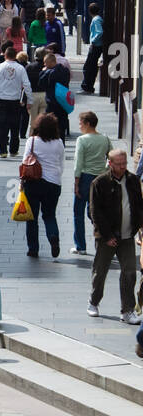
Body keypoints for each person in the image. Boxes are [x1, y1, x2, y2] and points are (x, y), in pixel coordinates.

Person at [87, 149, 143, 321]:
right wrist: (107, 235)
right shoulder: (100, 182)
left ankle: (127, 310)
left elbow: (139, 206)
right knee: (100, 271)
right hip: (107, 237)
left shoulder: (133, 180)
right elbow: (95, 212)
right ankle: (94, 301)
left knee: (129, 273)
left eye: (124, 163)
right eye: (118, 164)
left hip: (127, 235)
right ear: (110, 163)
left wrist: (139, 229)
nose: (122, 167)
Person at [20, 112, 65, 259]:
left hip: (34, 183)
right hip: (53, 184)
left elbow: (25, 161)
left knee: (31, 218)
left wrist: (21, 182)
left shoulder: (32, 141)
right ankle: (53, 237)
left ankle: (33, 249)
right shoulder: (59, 143)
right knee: (49, 215)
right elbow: (61, 164)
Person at [70, 111, 110, 255]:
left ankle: (80, 246)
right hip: (101, 178)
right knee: (97, 211)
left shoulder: (82, 140)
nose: (79, 126)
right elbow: (111, 156)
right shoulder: (104, 139)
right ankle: (104, 240)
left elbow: (78, 163)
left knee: (78, 212)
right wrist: (105, 169)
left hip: (85, 177)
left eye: (80, 123)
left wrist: (76, 181)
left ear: (87, 124)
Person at [0, 44, 32, 158]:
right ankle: (13, 150)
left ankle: (3, 151)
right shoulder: (20, 68)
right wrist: (29, 100)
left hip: (1, 100)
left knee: (2, 126)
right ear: (15, 56)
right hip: (15, 100)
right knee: (15, 126)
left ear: (5, 55)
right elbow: (27, 85)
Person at [37, 50, 72, 143]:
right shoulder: (65, 71)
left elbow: (41, 84)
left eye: (46, 62)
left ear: (52, 62)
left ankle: (52, 143)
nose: (44, 64)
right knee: (62, 124)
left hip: (52, 102)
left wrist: (43, 72)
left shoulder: (49, 73)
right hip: (63, 101)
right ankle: (62, 143)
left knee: (51, 125)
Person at [80, 7, 104, 93]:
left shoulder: (96, 20)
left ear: (89, 11)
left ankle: (87, 86)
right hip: (97, 46)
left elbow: (99, 31)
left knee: (88, 67)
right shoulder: (98, 19)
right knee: (91, 66)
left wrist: (93, 41)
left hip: (96, 46)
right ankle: (88, 86)